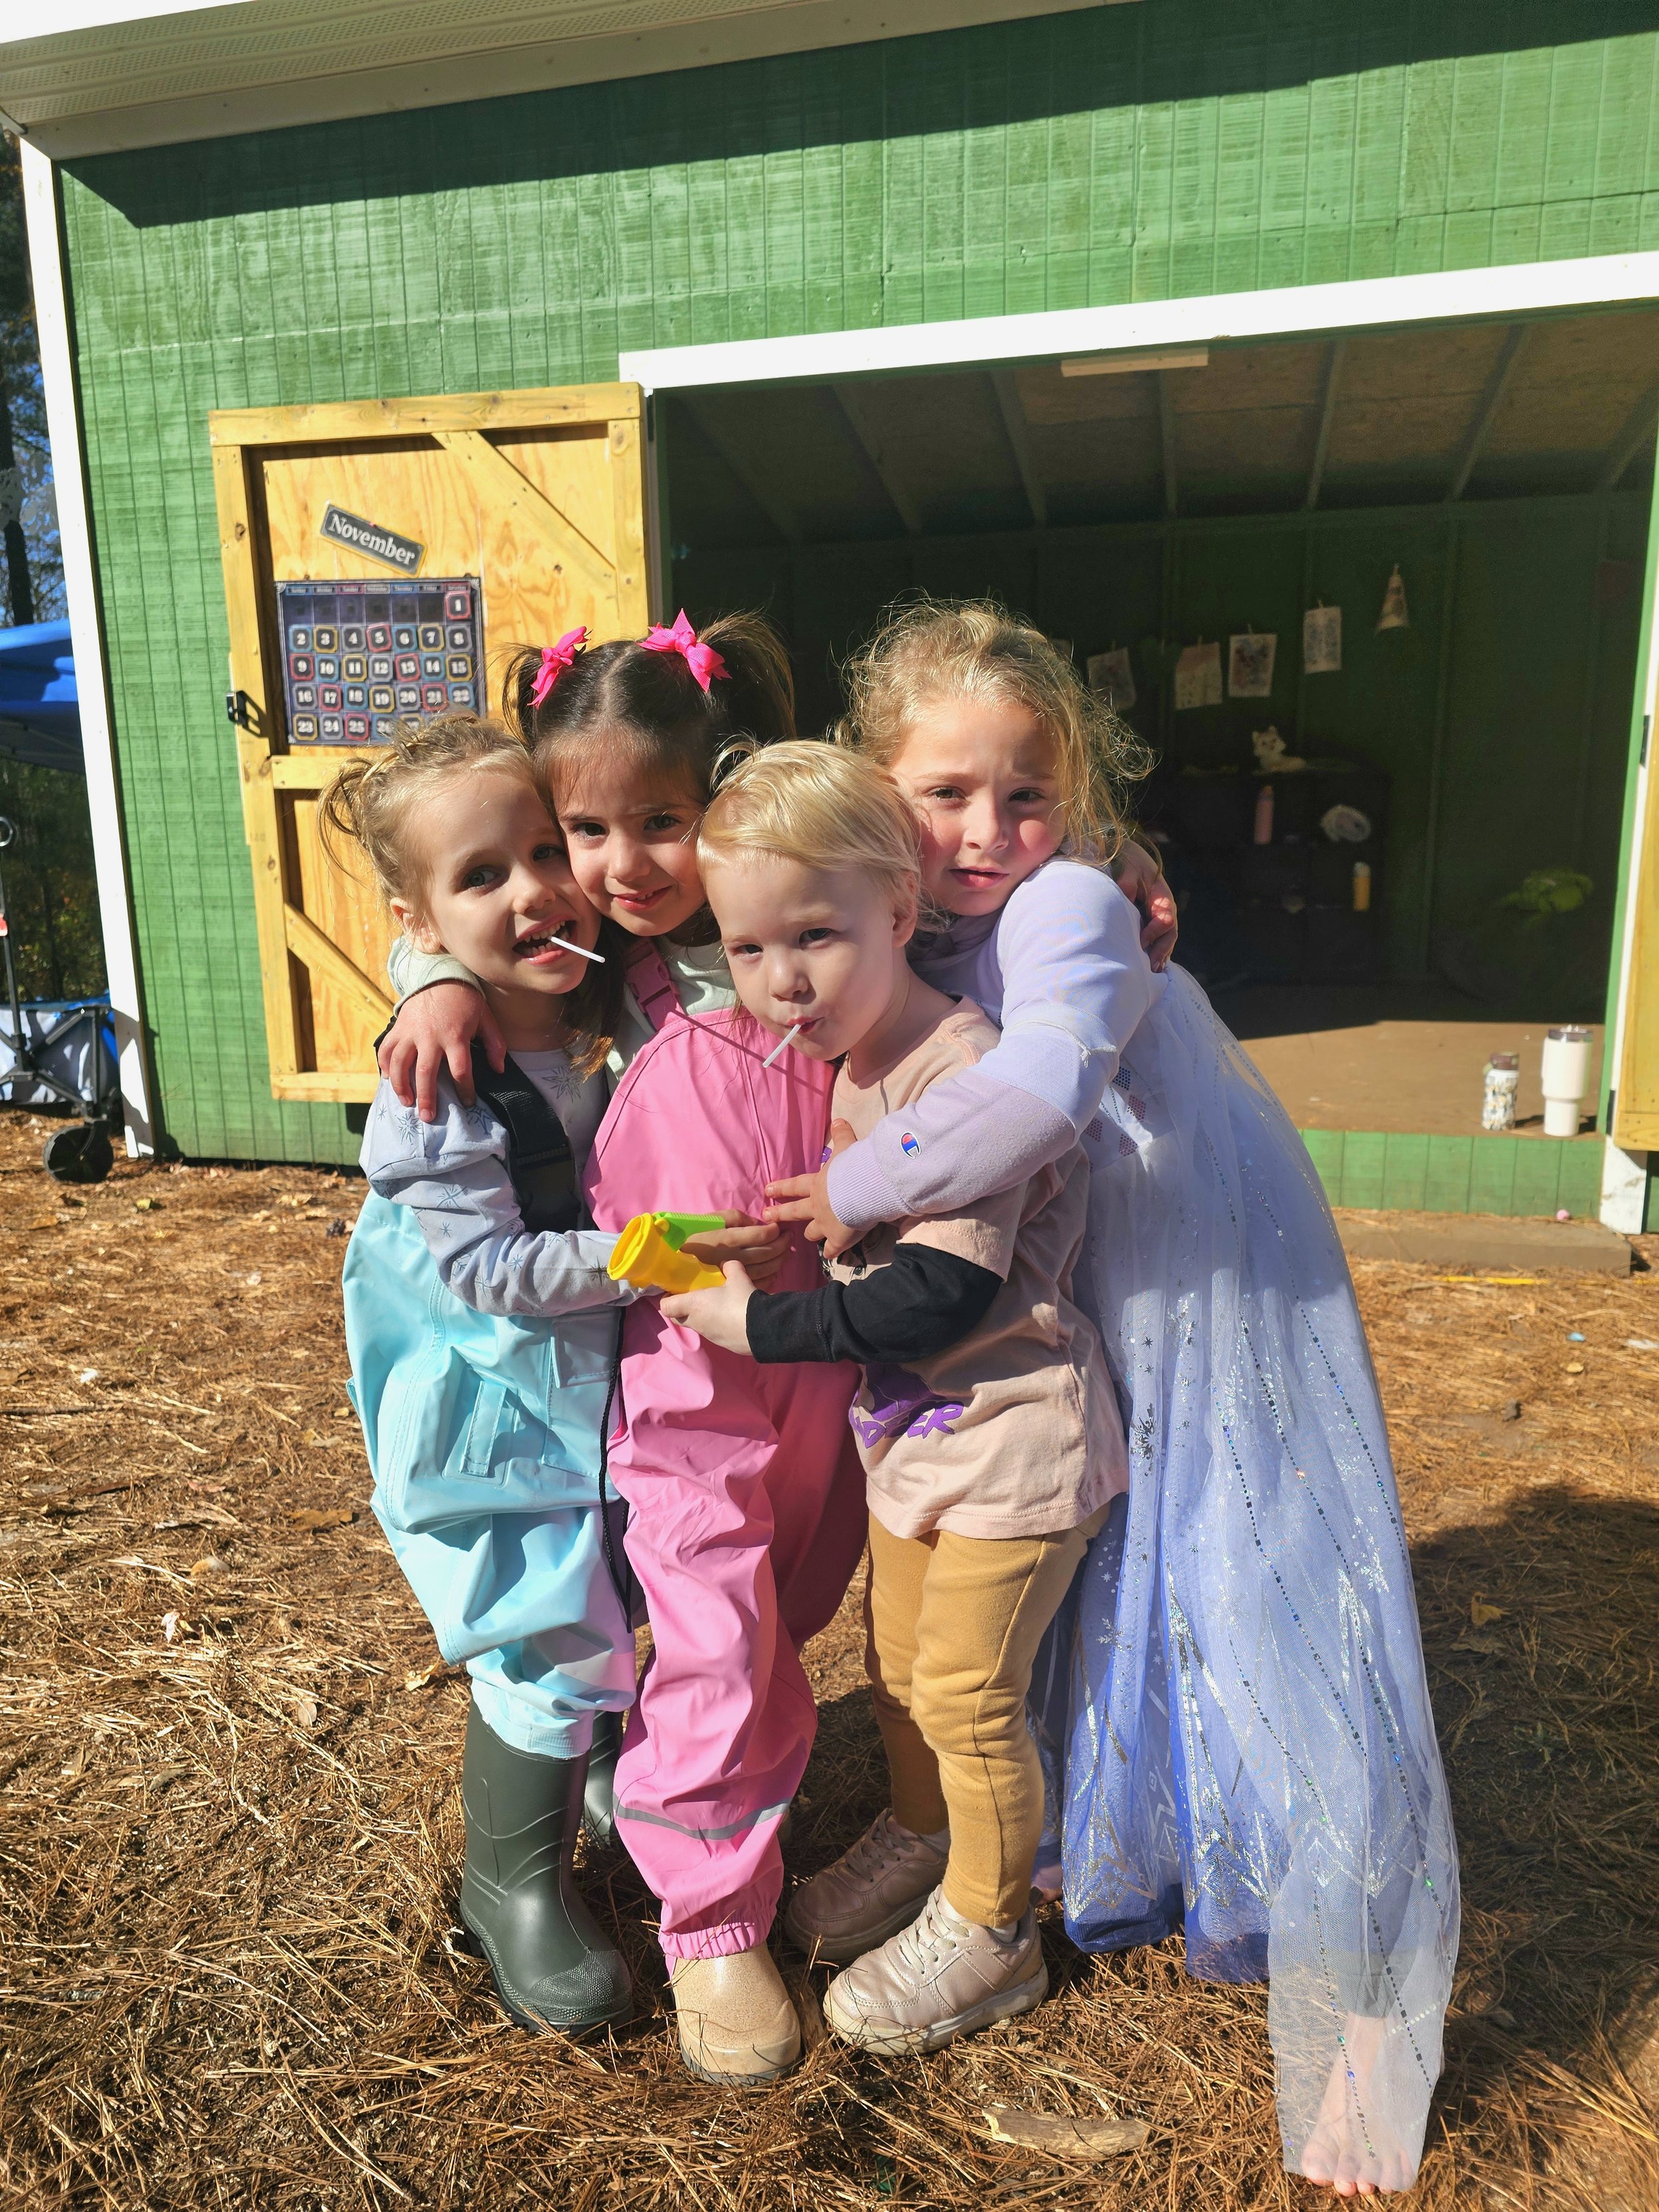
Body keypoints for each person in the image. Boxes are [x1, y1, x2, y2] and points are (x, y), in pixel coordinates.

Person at [762, 599, 1459, 2195]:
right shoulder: (897, 905)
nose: (988, 829)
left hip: (1174, 1240)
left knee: (1231, 1536)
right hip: (1062, 1256)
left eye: (1024, 791)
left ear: (1072, 795)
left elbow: (1049, 1078)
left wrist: (857, 1183)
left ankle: (1337, 1945)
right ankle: (1023, 1825)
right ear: (882, 791)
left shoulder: (1069, 895)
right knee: (1079, 1534)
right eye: (945, 794)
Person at [376, 615, 867, 2087]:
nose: (607, 868)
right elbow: (452, 904)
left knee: (770, 1599)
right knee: (648, 1611)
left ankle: (641, 1775)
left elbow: (932, 901)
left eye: (656, 822)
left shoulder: (788, 920)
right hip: (650, 1371)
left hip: (816, 1356)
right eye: (581, 829)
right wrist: (426, 978)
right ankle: (685, 1908)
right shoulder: (597, 971)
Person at [659, 740, 1127, 2056]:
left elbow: (935, 1296)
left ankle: (993, 1932)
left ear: (900, 915)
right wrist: (780, 1250)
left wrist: (764, 1323)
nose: (780, 979)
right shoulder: (855, 1062)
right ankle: (928, 1844)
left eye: (814, 934)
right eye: (748, 950)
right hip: (925, 1446)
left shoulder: (954, 1069)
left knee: (969, 1693)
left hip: (1015, 1442)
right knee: (902, 1679)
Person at [330, 710, 779, 2040]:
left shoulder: (581, 978)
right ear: (415, 911)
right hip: (479, 1399)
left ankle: (571, 1769)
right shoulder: (440, 1075)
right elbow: (485, 1269)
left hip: (564, 1380)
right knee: (543, 1622)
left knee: (606, 1582)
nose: (532, 888)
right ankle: (508, 1882)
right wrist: (653, 1252)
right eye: (481, 877)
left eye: (543, 849)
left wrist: (440, 962)